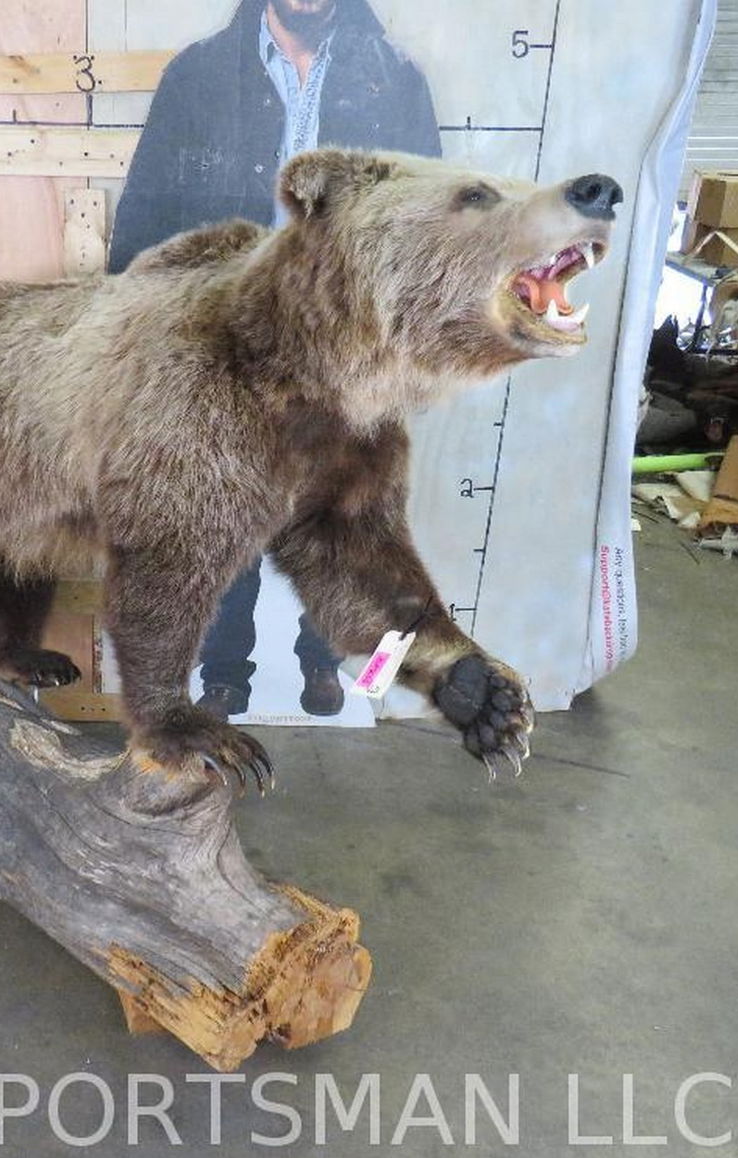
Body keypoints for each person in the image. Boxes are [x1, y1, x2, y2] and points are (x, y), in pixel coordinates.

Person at [108, 0, 442, 718]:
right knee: (226, 513)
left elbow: (430, 221)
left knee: (342, 512)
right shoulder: (199, 75)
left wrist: (410, 350)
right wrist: (125, 332)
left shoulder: (396, 80)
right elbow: (145, 205)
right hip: (225, 342)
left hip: (344, 350)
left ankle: (321, 662)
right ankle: (227, 672)